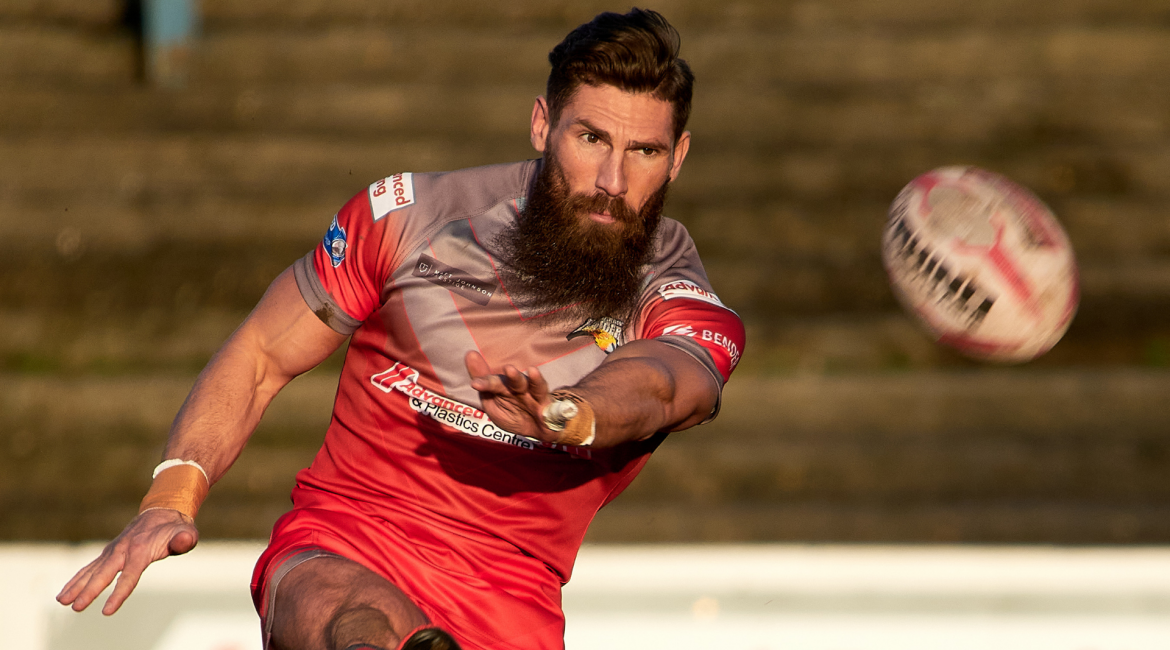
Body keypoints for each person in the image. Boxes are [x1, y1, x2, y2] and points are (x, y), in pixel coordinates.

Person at [57, 8, 745, 650]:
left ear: (678, 157)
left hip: (510, 606)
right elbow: (261, 354)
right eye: (591, 138)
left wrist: (571, 413)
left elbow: (667, 384)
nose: (613, 180)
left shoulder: (674, 285)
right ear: (543, 125)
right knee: (353, 613)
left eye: (644, 151)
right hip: (345, 541)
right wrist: (170, 499)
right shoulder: (412, 217)